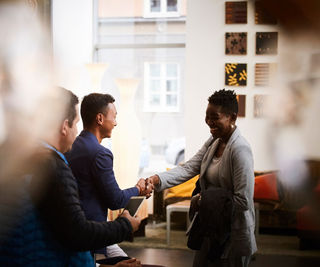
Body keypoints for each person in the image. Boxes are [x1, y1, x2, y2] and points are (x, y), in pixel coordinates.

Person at [29, 88, 142, 266]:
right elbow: (78, 233)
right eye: (75, 124)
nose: (77, 132)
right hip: (85, 239)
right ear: (65, 126)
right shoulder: (56, 165)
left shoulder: (25, 160)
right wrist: (126, 224)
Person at [146, 89, 256, 267]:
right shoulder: (214, 141)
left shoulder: (240, 149)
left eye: (215, 117)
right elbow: (189, 168)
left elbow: (243, 200)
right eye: (207, 117)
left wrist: (204, 200)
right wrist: (155, 179)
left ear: (232, 117)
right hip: (211, 229)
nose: (209, 122)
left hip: (232, 236)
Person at [65, 93, 152, 258]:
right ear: (100, 119)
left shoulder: (72, 146)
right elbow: (115, 200)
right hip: (93, 233)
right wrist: (139, 189)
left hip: (77, 228)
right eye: (114, 117)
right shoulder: (100, 154)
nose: (116, 123)